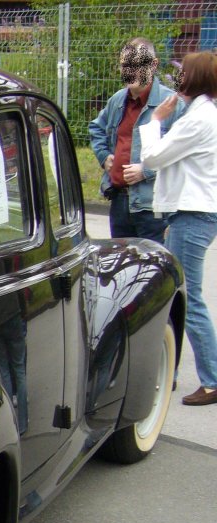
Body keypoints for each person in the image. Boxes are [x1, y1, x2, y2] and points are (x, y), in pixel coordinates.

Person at [140, 50, 217, 406]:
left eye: (182, 73)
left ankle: (213, 379)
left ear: (194, 78)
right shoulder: (203, 113)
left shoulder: (199, 119)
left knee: (190, 296)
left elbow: (153, 157)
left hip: (193, 212)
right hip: (191, 212)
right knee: (187, 293)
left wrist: (155, 120)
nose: (177, 78)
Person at [89, 38, 183, 241]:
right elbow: (96, 128)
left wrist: (146, 171)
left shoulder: (173, 105)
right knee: (121, 269)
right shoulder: (117, 101)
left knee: (153, 271)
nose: (130, 71)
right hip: (119, 202)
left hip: (153, 207)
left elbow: (183, 153)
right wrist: (104, 157)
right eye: (126, 65)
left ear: (154, 65)